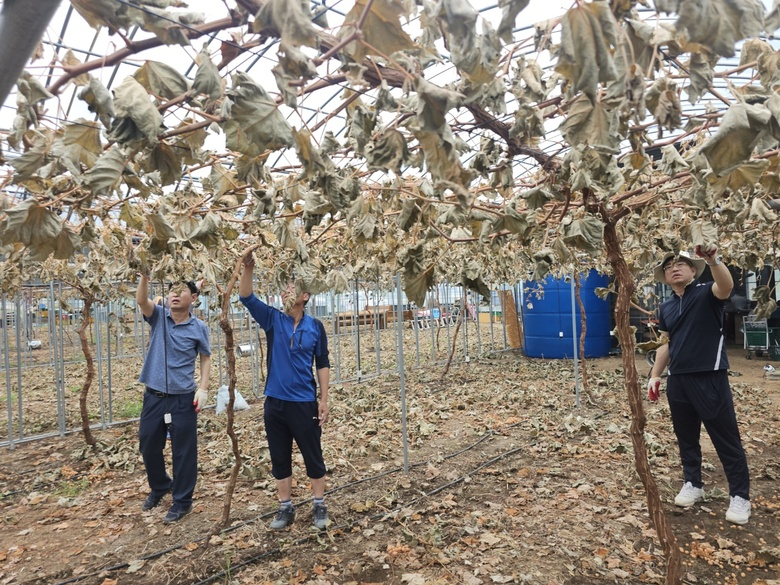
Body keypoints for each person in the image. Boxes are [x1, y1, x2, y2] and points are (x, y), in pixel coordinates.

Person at [647, 246, 751, 525]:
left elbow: (726, 286)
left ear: (693, 270)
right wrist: (656, 375)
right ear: (665, 276)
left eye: (681, 264)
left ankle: (740, 496)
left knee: (725, 438)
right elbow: (666, 343)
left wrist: (713, 260)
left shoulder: (707, 293)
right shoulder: (666, 306)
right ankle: (693, 483)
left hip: (710, 375)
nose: (675, 268)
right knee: (686, 437)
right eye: (669, 266)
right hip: (678, 380)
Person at [238, 252, 331, 530]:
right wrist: (249, 268)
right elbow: (246, 297)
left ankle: (318, 504)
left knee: (312, 452)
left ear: (305, 296)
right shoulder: (273, 320)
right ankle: (285, 507)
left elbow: (322, 363)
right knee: (279, 455)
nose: (284, 292)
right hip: (275, 403)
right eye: (283, 288)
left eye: (291, 288)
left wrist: (324, 399)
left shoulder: (315, 326)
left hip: (304, 402)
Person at [136, 276, 211, 524]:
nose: (174, 295)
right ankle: (160, 486)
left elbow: (205, 357)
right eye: (171, 291)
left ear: (194, 298)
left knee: (184, 451)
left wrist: (203, 388)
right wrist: (146, 278)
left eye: (181, 291)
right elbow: (141, 300)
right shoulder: (159, 317)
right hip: (154, 395)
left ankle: (182, 501)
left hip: (183, 398)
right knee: (148, 443)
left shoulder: (199, 328)